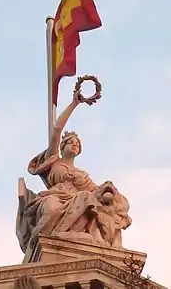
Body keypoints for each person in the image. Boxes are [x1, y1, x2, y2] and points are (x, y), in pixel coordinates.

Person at [21, 90, 131, 250]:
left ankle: (63, 235)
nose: (74, 144)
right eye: (70, 142)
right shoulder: (53, 161)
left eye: (77, 144)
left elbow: (96, 191)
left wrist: (109, 190)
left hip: (79, 200)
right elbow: (57, 129)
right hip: (56, 196)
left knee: (92, 201)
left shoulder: (82, 175)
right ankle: (45, 237)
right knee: (52, 209)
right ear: (62, 146)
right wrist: (74, 104)